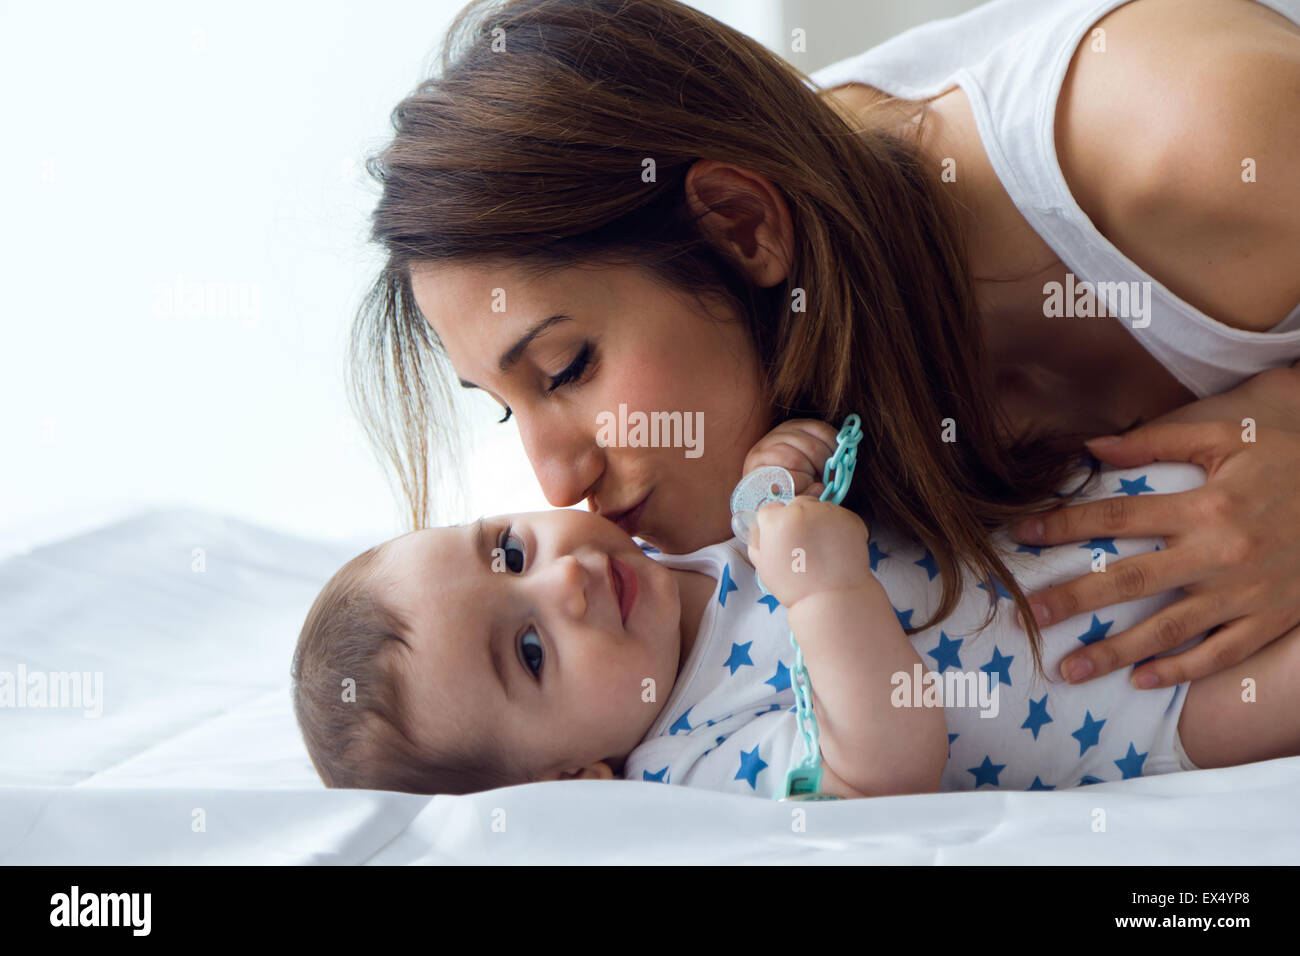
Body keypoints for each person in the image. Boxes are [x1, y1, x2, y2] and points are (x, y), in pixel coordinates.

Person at [348, 0, 1300, 701]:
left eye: (567, 369)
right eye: (510, 405)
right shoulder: (780, 458)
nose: (557, 483)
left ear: (740, 224)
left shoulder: (1192, 139)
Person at [291, 422, 1300, 798]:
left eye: (507, 549)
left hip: (1109, 505)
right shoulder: (689, 759)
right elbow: (882, 760)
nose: (561, 579)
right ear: (570, 775)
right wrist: (821, 588)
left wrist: (782, 459)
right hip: (1152, 699)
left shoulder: (685, 526)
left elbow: (814, 444)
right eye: (528, 648)